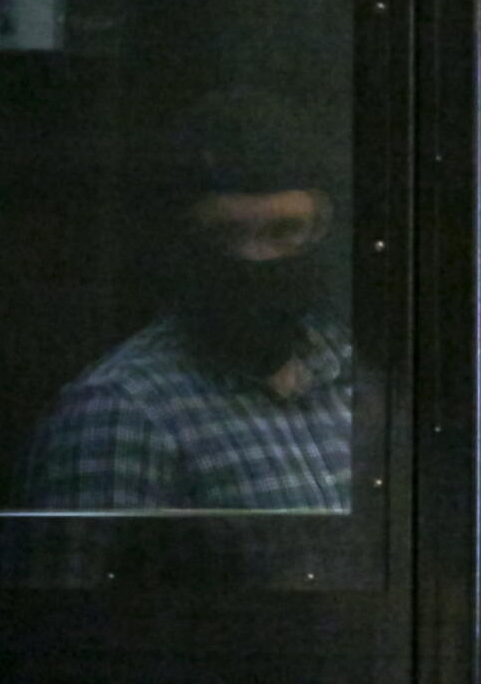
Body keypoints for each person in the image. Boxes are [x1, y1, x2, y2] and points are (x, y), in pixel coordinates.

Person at [25, 89, 352, 510]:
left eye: (284, 231)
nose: (257, 258)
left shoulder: (351, 377)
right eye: (226, 235)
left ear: (320, 230)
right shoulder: (121, 414)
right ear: (185, 241)